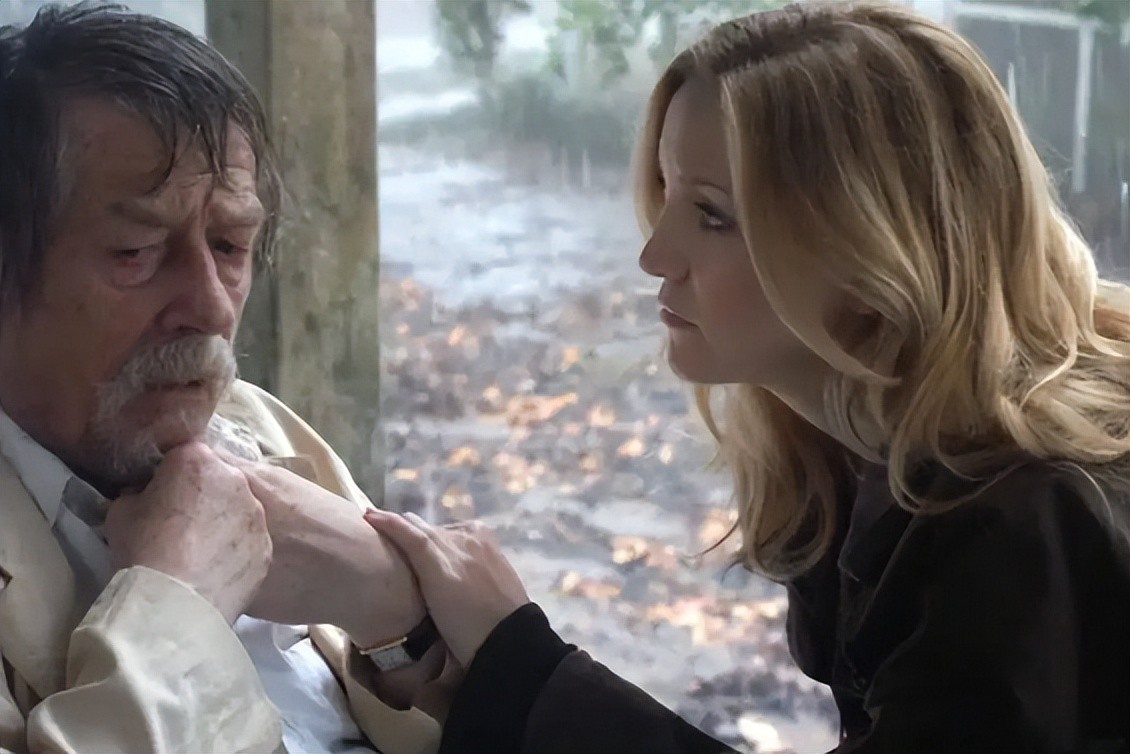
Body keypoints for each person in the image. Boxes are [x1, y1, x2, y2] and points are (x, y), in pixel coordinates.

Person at [365, 2, 1130, 753]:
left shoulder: (1020, 532)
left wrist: (520, 661)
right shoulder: (864, 455)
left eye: (713, 215)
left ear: (875, 249)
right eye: (666, 192)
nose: (654, 255)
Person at [0, 5, 450, 753]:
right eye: (136, 251)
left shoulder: (255, 427)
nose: (211, 307)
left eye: (230, 245)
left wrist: (393, 615)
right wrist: (179, 607)